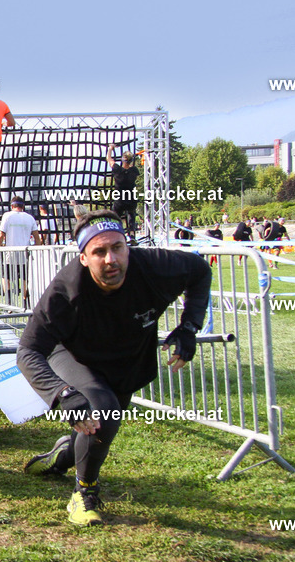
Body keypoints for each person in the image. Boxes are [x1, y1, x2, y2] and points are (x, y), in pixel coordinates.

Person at [16, 210, 211, 526]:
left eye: (118, 248)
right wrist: (61, 393)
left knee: (101, 430)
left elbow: (200, 271)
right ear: (83, 258)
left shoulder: (153, 266)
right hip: (72, 357)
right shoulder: (65, 290)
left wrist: (189, 326)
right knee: (102, 412)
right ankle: (84, 494)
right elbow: (27, 352)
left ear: (127, 246)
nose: (111, 259)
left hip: (125, 362)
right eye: (99, 252)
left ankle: (63, 455)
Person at [0, 195, 38, 303]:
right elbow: (37, 237)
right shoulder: (30, 217)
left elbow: (1, 235)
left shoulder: (7, 216)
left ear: (12, 205)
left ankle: (9, 301)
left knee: (6, 277)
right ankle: (25, 302)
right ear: (23, 206)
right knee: (24, 279)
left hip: (10, 253)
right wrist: (37, 252)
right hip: (25, 254)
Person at [106, 143, 139, 242]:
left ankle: (117, 235)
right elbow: (132, 166)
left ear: (122, 159)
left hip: (119, 199)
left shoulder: (117, 170)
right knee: (131, 216)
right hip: (131, 198)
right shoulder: (134, 171)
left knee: (115, 218)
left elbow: (109, 159)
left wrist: (110, 148)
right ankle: (132, 235)